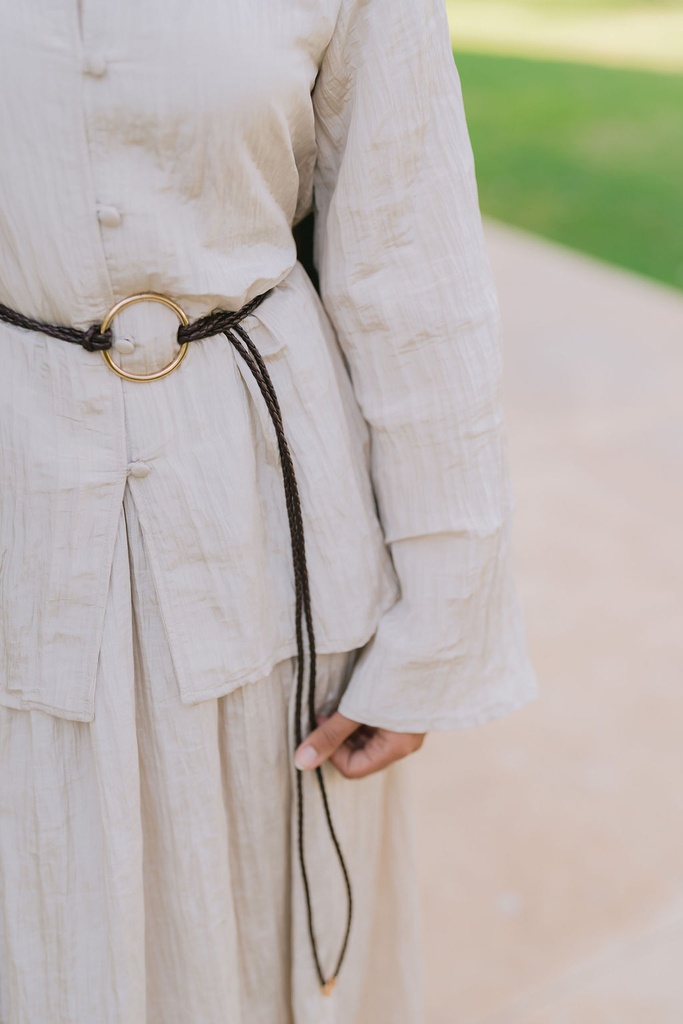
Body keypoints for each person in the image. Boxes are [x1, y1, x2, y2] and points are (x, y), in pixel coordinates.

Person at [0, 1, 539, 1022]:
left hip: (262, 512)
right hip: (18, 498)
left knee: (267, 930)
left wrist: (436, 626)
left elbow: (410, 265)